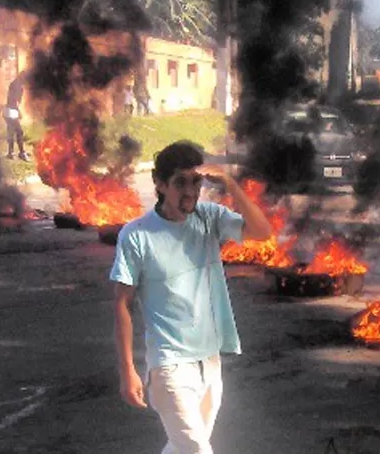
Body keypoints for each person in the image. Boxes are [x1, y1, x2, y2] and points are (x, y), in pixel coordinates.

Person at [110, 141, 272, 454]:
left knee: (182, 448)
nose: (190, 191)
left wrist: (229, 183)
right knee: (198, 450)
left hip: (209, 361)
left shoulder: (208, 218)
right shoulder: (136, 235)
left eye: (196, 182)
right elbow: (122, 304)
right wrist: (127, 369)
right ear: (159, 184)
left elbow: (262, 232)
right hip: (170, 365)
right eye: (180, 183)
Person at [4, 73, 28, 160]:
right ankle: (21, 153)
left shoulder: (16, 84)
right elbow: (13, 100)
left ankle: (11, 153)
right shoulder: (17, 85)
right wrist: (18, 111)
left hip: (9, 109)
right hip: (11, 110)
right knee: (19, 131)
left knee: (11, 131)